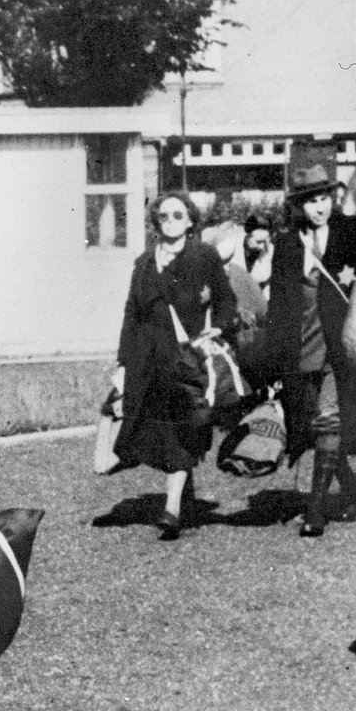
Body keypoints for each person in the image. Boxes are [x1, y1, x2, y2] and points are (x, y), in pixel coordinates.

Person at [258, 165, 356, 538]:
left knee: (328, 417)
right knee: (314, 422)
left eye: (324, 198)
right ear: (300, 206)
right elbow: (279, 304)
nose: (319, 208)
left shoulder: (354, 231)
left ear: (334, 198)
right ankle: (349, 484)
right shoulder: (288, 243)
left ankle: (315, 510)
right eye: (311, 201)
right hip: (302, 343)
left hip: (339, 344)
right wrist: (276, 359)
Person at [114, 191, 239, 541]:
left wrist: (221, 324)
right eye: (164, 216)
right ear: (156, 222)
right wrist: (123, 363)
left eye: (178, 215)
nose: (170, 222)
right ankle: (182, 495)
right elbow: (131, 313)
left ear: (190, 221)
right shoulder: (143, 262)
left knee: (184, 427)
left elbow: (226, 299)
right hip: (148, 358)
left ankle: (171, 510)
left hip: (186, 357)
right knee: (162, 430)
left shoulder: (203, 256)